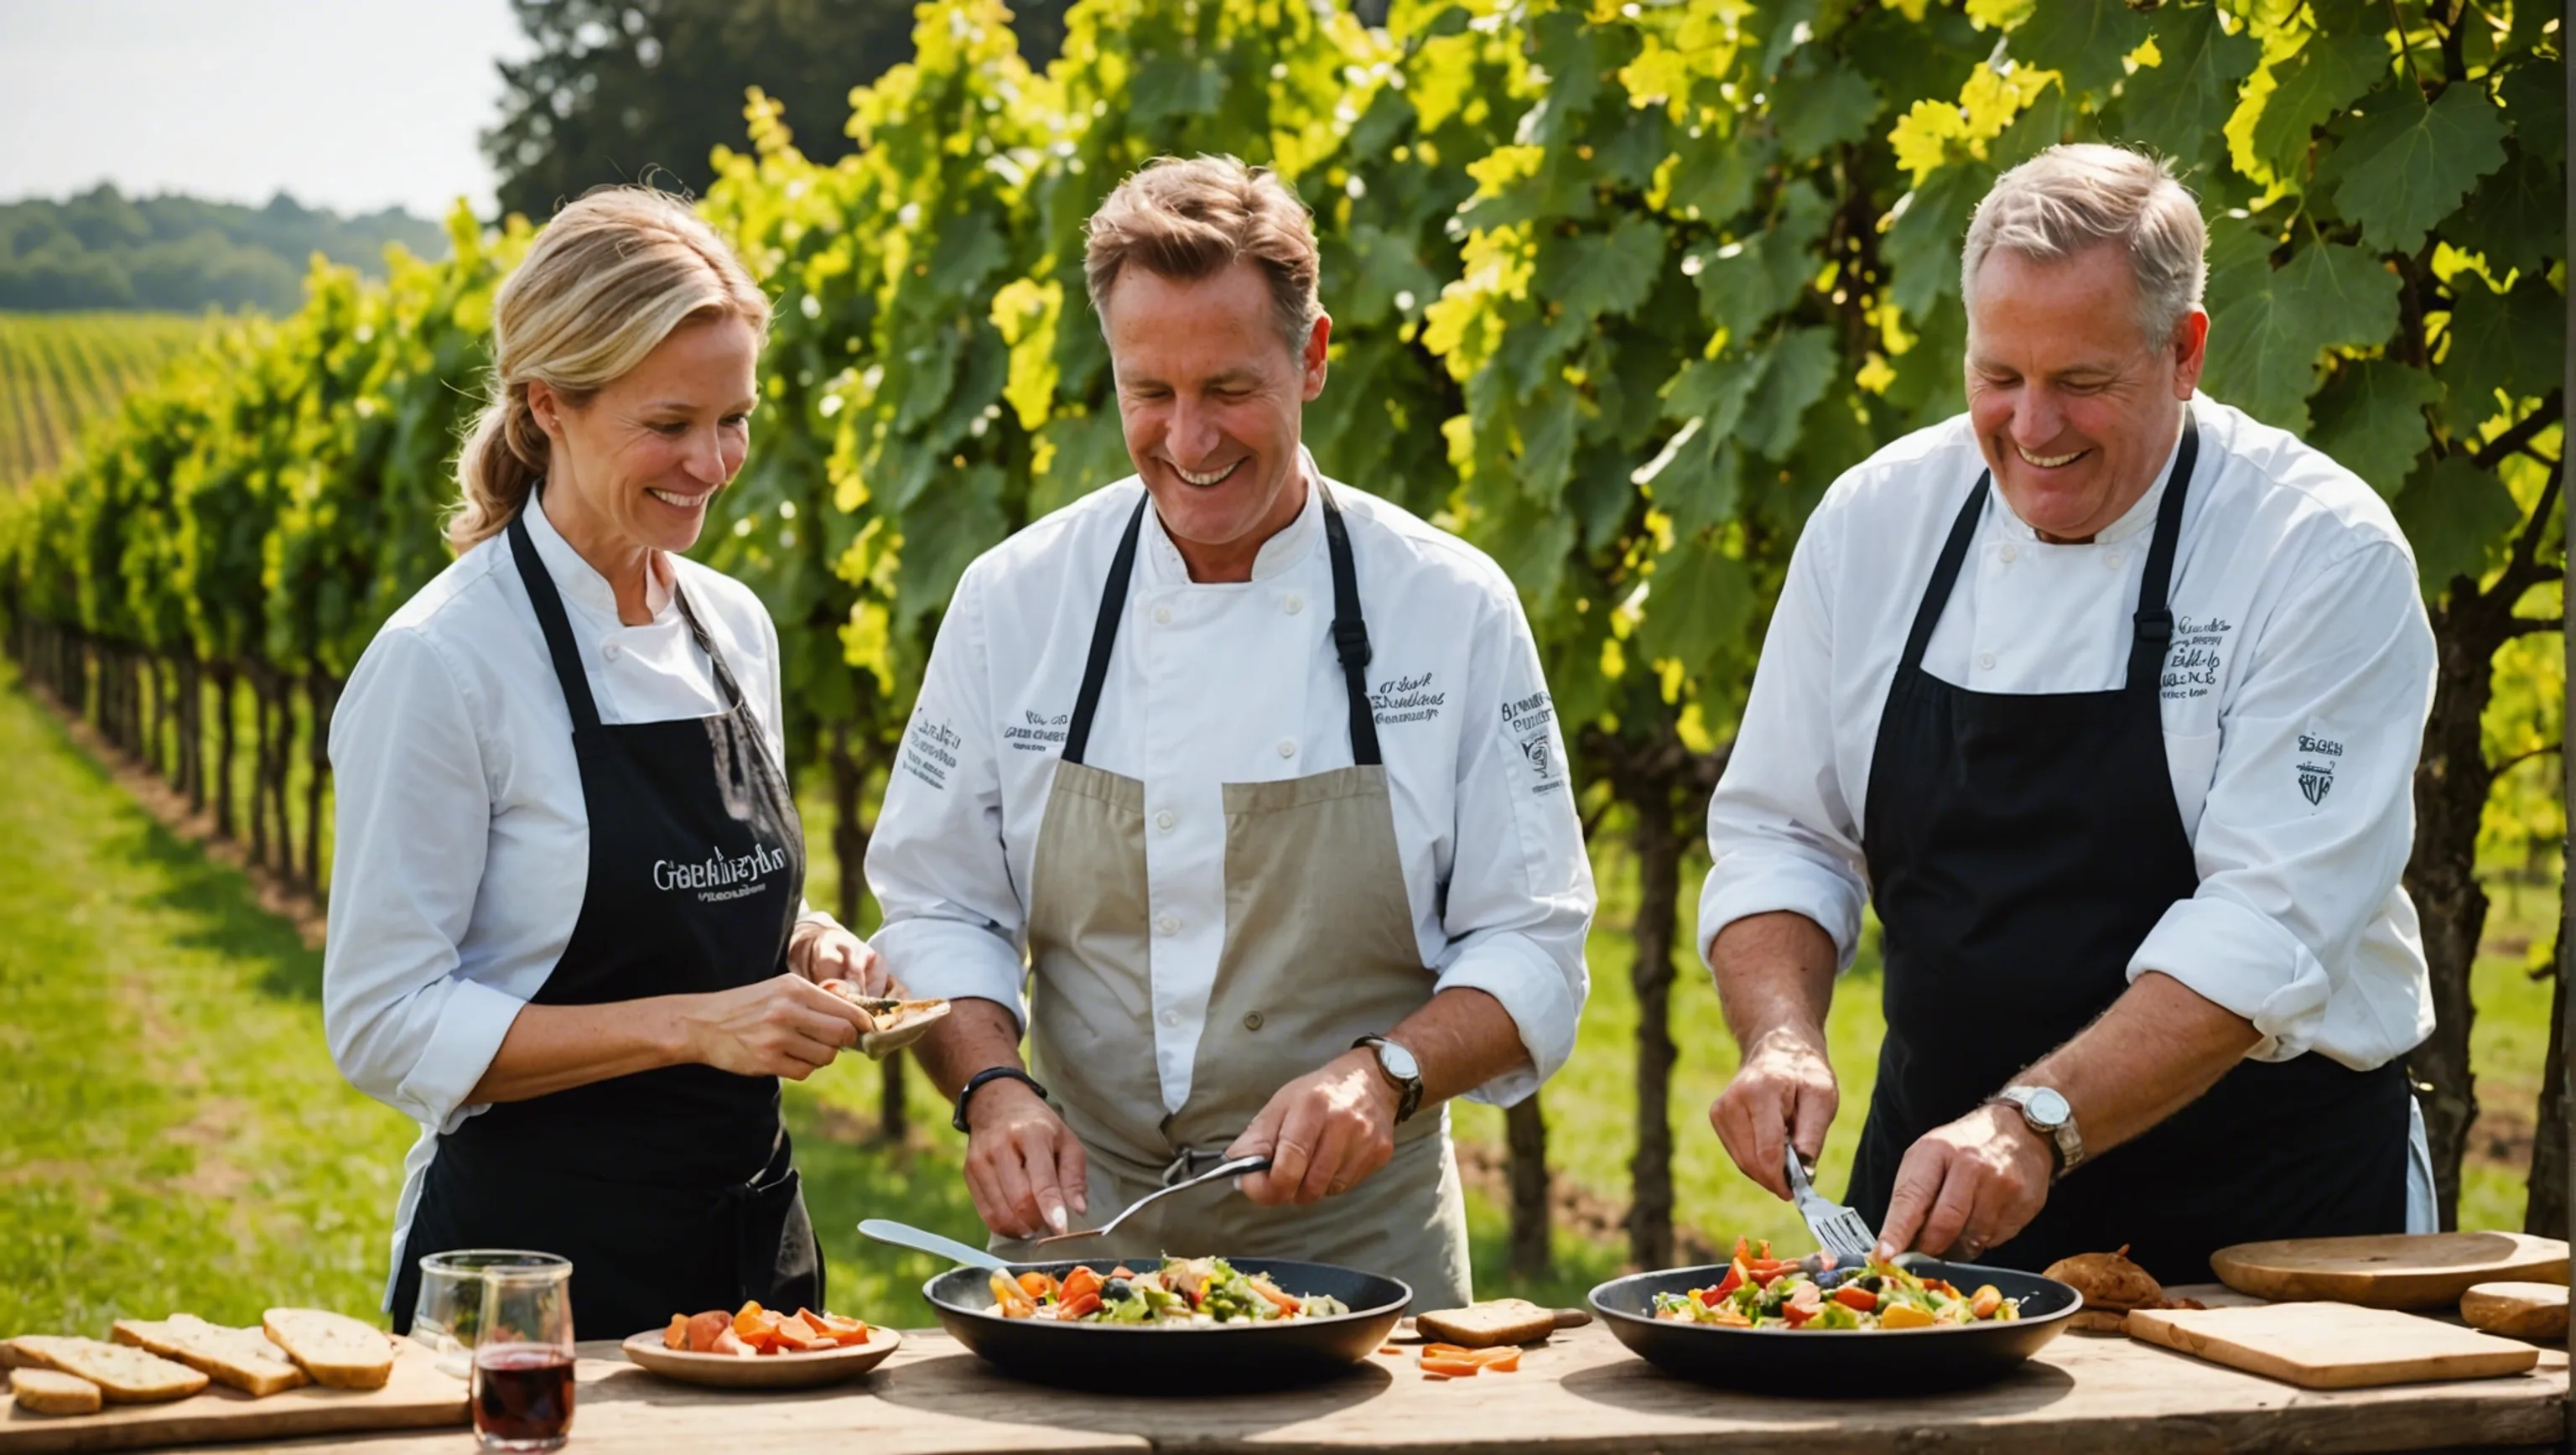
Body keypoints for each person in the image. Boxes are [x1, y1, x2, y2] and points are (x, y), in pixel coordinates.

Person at [1699, 145, 2438, 1283]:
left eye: (2082, 383)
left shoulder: (2315, 553)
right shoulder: (1876, 522)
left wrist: (2036, 1120)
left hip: (2271, 1220)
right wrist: (1783, 1031)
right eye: (1999, 374)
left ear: (2185, 351)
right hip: (1936, 1204)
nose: (2032, 427)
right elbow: (1781, 834)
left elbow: (2269, 922)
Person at [865, 156, 1592, 1308]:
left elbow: (1532, 940)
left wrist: (1387, 1073)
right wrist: (996, 1090)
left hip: (1366, 1265)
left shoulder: (1449, 607)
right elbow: (940, 901)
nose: (1188, 437)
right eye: (1148, 391)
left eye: (1230, 389)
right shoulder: (1016, 601)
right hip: (1077, 1249)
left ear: (1310, 358)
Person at [323, 188, 891, 1338]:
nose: (713, 462)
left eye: (733, 418)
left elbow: (680, 899)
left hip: (753, 1258)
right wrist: (693, 1025)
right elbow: (383, 1021)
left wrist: (801, 939)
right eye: (670, 423)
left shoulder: (735, 627)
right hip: (531, 1275)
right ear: (549, 405)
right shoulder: (446, 661)